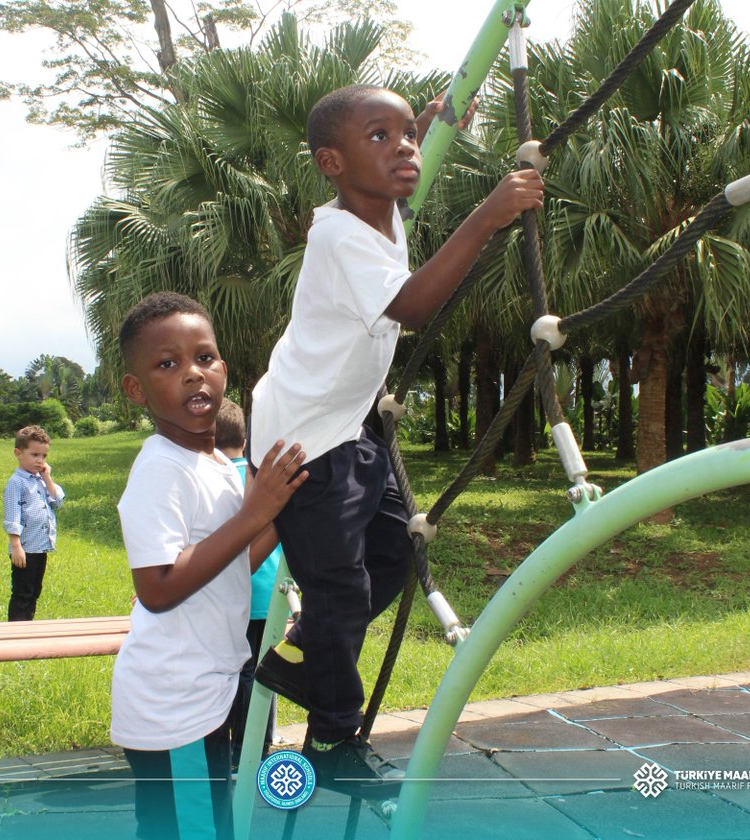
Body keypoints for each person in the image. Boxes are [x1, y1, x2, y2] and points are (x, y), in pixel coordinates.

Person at [249, 84, 544, 797]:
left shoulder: (378, 208)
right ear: (331, 163)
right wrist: (489, 213)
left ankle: (304, 657)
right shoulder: (340, 233)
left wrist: (441, 119)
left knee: (394, 553)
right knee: (339, 583)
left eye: (408, 133)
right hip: (300, 442)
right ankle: (335, 740)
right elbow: (411, 304)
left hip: (345, 428)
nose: (404, 147)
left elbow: (411, 158)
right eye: (379, 137)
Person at [111, 291, 307, 840]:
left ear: (223, 367)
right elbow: (157, 586)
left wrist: (278, 509)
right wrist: (257, 513)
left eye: (205, 357)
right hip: (173, 702)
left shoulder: (216, 462)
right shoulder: (161, 468)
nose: (194, 374)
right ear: (136, 389)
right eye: (168, 364)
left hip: (201, 690)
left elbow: (232, 561)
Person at [214, 398, 281, 766]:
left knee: (237, 668)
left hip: (234, 590)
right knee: (263, 667)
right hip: (271, 592)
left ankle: (237, 746)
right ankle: (261, 738)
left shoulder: (217, 481)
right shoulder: (262, 482)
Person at [3, 424, 65, 621]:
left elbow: (57, 501)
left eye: (44, 456)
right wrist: (16, 546)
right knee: (23, 592)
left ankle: (27, 628)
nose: (39, 460)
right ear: (18, 453)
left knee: (34, 591)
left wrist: (47, 476)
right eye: (34, 455)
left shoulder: (40, 480)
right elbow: (13, 515)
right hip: (25, 548)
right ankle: (16, 632)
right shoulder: (17, 482)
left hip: (40, 547)